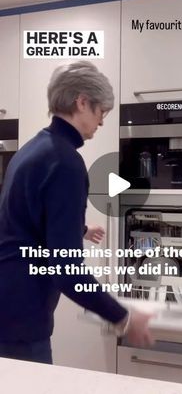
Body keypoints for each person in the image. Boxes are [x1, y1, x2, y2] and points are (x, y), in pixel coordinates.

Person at [0, 61, 153, 364]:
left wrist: (79, 229)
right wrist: (122, 316)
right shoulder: (65, 162)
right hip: (21, 321)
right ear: (82, 102)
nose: (101, 122)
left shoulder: (31, 150)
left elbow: (24, 220)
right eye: (101, 112)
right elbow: (66, 270)